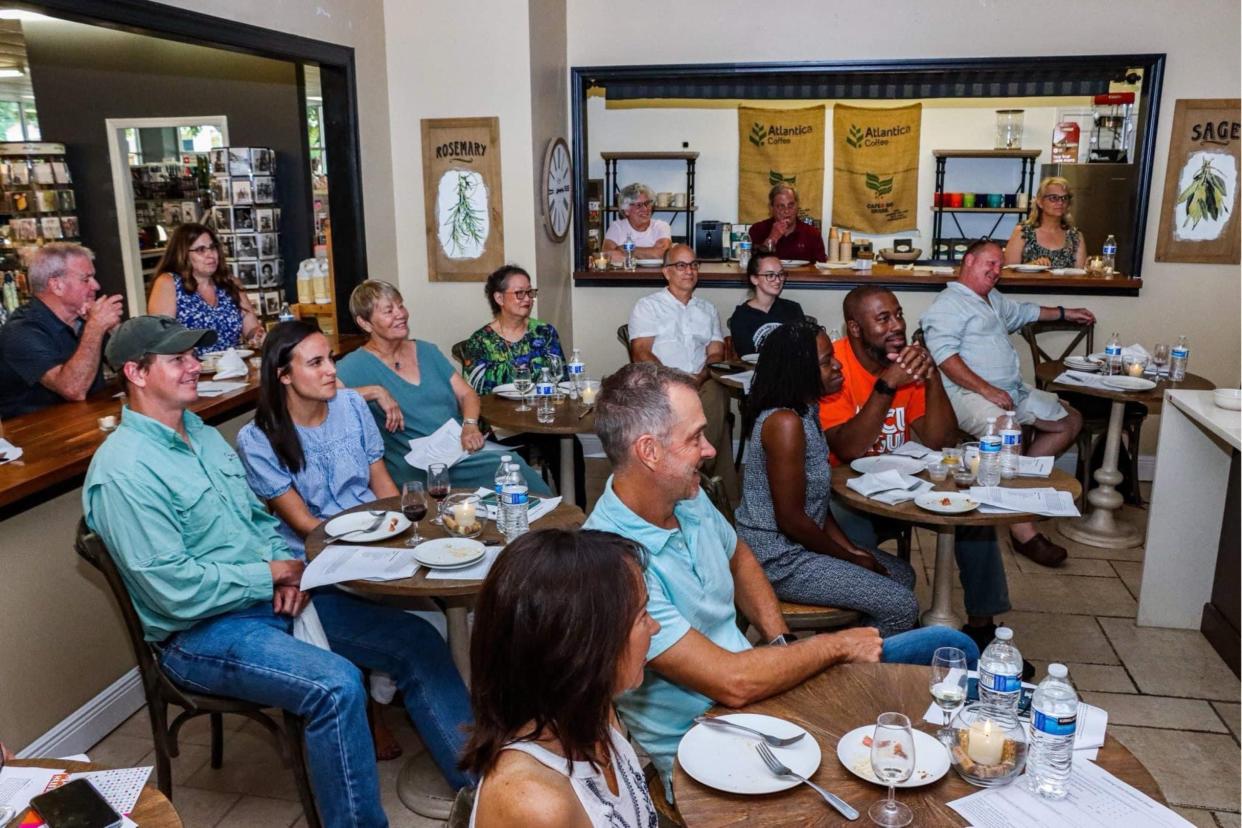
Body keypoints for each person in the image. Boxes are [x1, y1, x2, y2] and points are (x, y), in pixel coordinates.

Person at [83, 315, 472, 826]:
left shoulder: (197, 432)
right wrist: (270, 575)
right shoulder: (124, 471)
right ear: (135, 373)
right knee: (336, 684)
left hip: (270, 595)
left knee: (417, 642)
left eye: (193, 355)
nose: (194, 367)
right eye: (177, 360)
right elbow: (170, 589)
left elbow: (256, 518)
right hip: (200, 632)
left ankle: (485, 786)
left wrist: (287, 571)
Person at [583, 362, 979, 799]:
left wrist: (781, 643)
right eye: (695, 437)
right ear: (649, 452)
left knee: (952, 648)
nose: (711, 449)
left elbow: (740, 557)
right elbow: (732, 682)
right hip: (717, 748)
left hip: (767, 693)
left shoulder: (684, 495)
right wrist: (836, 644)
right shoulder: (612, 565)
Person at [235, 320, 408, 760]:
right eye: (316, 362)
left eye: (330, 358)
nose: (332, 369)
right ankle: (373, 703)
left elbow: (382, 484)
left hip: (374, 535)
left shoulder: (351, 406)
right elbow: (306, 525)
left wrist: (406, 531)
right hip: (316, 556)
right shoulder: (258, 440)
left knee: (438, 595)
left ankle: (390, 685)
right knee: (410, 618)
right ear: (283, 374)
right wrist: (367, 550)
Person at [820, 287, 1017, 658]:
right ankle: (880, 629)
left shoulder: (908, 365)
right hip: (845, 491)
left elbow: (941, 439)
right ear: (855, 328)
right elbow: (846, 449)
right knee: (857, 535)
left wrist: (932, 378)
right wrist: (887, 384)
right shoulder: (836, 366)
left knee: (974, 517)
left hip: (903, 483)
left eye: (898, 314)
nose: (897, 326)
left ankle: (982, 629)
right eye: (883, 319)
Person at [462, 529, 658, 827]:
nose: (654, 627)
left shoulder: (595, 708)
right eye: (642, 615)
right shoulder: (537, 806)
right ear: (586, 649)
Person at [736, 321, 920, 636]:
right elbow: (791, 519)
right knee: (902, 605)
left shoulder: (807, 410)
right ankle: (845, 667)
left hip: (799, 543)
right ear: (800, 370)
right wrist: (848, 558)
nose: (837, 366)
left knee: (901, 575)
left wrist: (852, 551)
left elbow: (816, 504)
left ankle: (849, 641)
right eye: (825, 362)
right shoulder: (784, 423)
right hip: (776, 558)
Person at [922, 239, 1095, 567]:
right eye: (990, 263)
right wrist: (986, 390)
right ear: (969, 261)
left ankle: (1015, 486)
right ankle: (1022, 531)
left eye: (1000, 266)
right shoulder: (948, 304)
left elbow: (1026, 311)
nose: (997, 271)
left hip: (1012, 391)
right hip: (966, 395)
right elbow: (945, 358)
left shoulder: (992, 299)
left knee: (1069, 420)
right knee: (1008, 431)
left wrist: (1065, 313)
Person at [335, 279, 550, 493]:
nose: (400, 314)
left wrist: (470, 424)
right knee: (511, 467)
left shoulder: (427, 351)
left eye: (401, 305)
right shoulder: (354, 366)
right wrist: (374, 391)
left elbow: (467, 394)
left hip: (458, 450)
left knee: (512, 466)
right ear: (365, 323)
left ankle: (554, 523)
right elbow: (321, 398)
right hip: (417, 468)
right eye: (388, 311)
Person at [460, 264, 585, 504]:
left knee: (571, 449)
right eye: (520, 293)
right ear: (499, 298)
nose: (527, 299)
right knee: (512, 466)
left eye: (530, 292)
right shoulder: (481, 341)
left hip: (543, 420)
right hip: (500, 426)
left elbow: (561, 378)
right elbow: (475, 392)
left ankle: (574, 515)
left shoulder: (545, 332)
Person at [627, 244, 737, 501]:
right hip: (662, 383)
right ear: (666, 272)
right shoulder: (648, 306)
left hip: (703, 379)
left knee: (717, 393)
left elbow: (716, 353)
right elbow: (641, 353)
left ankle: (693, 473)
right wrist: (676, 380)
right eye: (681, 265)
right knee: (697, 407)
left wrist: (699, 376)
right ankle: (701, 480)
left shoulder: (707, 309)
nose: (689, 271)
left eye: (693, 265)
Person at [0, 243, 121, 417]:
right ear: (56, 285)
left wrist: (113, 328)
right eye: (86, 279)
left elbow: (135, 366)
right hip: (40, 437)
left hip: (89, 423)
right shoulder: (20, 331)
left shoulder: (84, 319)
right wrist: (95, 328)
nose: (96, 286)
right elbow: (73, 389)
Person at [147, 223, 265, 351]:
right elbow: (162, 339)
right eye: (200, 250)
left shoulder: (230, 283)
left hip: (232, 365)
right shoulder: (168, 283)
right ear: (183, 254)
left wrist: (257, 335)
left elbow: (251, 328)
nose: (211, 254)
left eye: (213, 248)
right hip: (191, 368)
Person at [726, 251, 806, 356]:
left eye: (781, 274)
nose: (778, 280)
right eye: (770, 275)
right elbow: (747, 359)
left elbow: (804, 350)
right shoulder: (741, 316)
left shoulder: (793, 309)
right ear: (754, 279)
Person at [1004, 177, 1087, 269]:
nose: (1060, 202)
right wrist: (1030, 266)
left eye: (1064, 198)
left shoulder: (1075, 236)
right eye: (1053, 198)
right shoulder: (1023, 232)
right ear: (1040, 202)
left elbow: (1080, 277)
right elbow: (1007, 271)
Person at [747, 184, 827, 263]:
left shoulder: (812, 234)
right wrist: (772, 238)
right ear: (771, 208)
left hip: (802, 276)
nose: (786, 211)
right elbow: (753, 266)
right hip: (770, 276)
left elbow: (821, 268)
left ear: (797, 206)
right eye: (781, 206)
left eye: (791, 205)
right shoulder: (757, 230)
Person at [602, 183, 671, 265]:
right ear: (626, 210)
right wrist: (649, 252)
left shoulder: (661, 226)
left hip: (655, 276)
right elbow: (607, 255)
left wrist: (625, 249)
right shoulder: (617, 227)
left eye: (647, 203)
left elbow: (662, 254)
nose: (645, 209)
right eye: (639, 205)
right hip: (626, 276)